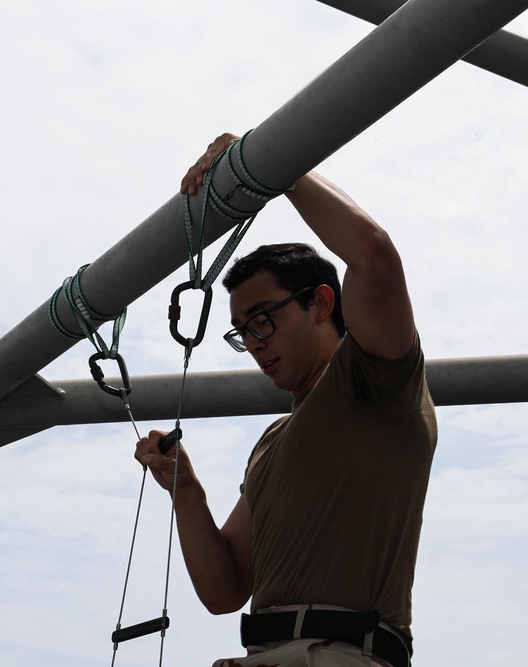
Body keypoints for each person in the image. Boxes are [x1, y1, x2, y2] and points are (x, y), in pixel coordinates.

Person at [134, 133, 437, 667]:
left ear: (321, 303)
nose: (253, 343)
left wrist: (274, 161)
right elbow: (225, 591)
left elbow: (373, 254)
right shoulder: (273, 440)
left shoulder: (375, 380)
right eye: (241, 332)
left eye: (263, 320)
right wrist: (186, 490)